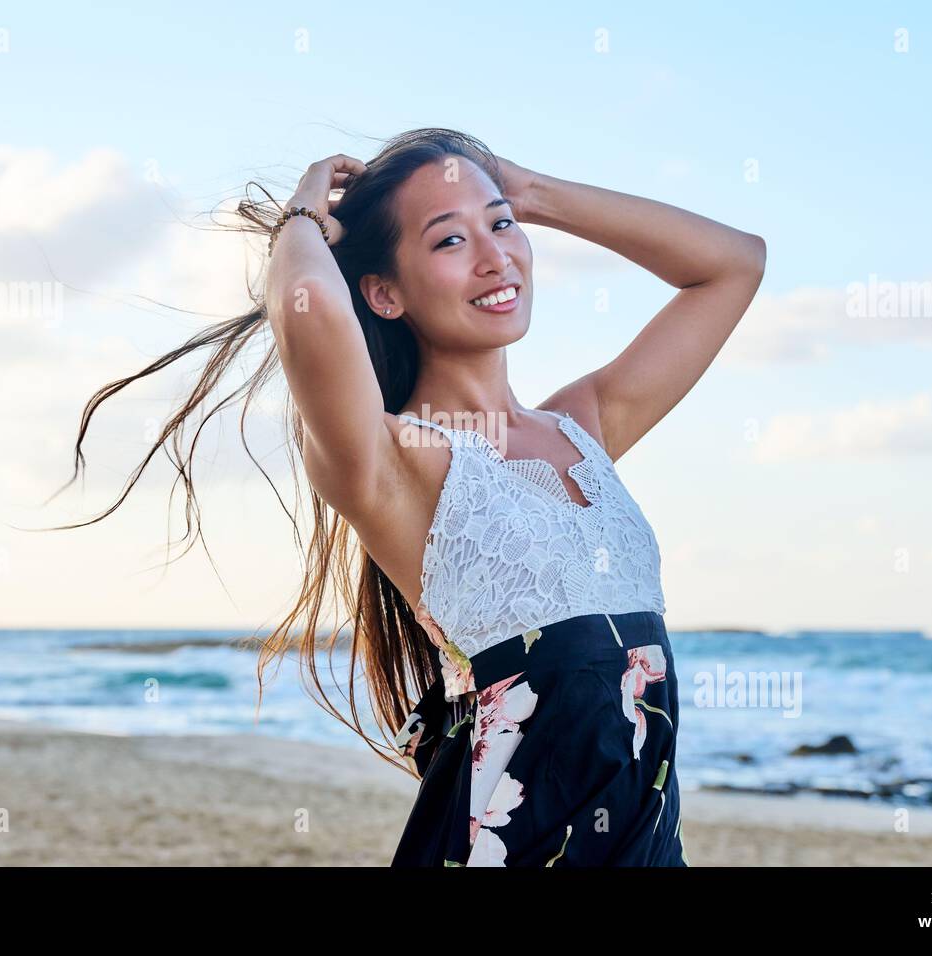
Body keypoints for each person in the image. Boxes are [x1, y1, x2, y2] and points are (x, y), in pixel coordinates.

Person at [53, 128, 765, 866]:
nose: (496, 257)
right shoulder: (394, 459)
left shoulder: (585, 426)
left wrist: (531, 192)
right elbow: (311, 313)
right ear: (384, 293)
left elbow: (734, 266)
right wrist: (300, 220)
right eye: (449, 241)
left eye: (500, 226)